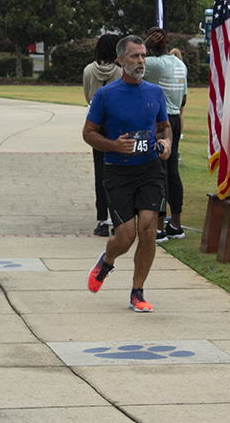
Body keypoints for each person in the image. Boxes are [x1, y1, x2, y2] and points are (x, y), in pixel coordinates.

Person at [83, 35, 172, 312]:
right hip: (118, 172)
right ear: (121, 60)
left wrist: (166, 142)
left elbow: (164, 127)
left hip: (149, 170)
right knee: (125, 237)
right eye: (135, 56)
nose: (141, 61)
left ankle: (138, 291)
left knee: (147, 231)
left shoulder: (155, 93)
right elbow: (88, 133)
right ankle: (107, 261)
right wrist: (114, 145)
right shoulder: (106, 95)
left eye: (143, 56)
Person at [142, 29, 188, 241]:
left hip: (161, 121)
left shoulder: (155, 64)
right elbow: (184, 99)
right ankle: (176, 224)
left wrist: (144, 43)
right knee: (172, 171)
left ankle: (159, 228)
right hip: (176, 117)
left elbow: (128, 64)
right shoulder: (180, 64)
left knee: (157, 172)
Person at [82, 33, 122, 237]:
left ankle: (102, 219)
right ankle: (118, 217)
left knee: (101, 171)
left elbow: (87, 96)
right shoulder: (121, 71)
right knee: (119, 171)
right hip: (117, 124)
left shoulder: (89, 70)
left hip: (97, 124)